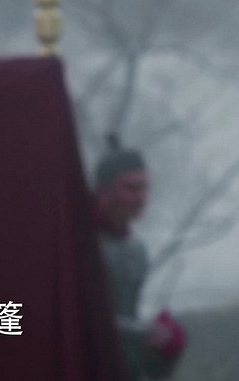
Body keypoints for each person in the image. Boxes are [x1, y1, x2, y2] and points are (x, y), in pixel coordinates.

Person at [93, 135, 185, 380]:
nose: (140, 197)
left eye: (144, 188)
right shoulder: (82, 245)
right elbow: (84, 315)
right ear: (104, 191)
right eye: (130, 188)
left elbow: (127, 313)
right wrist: (145, 331)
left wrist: (161, 336)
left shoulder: (136, 250)